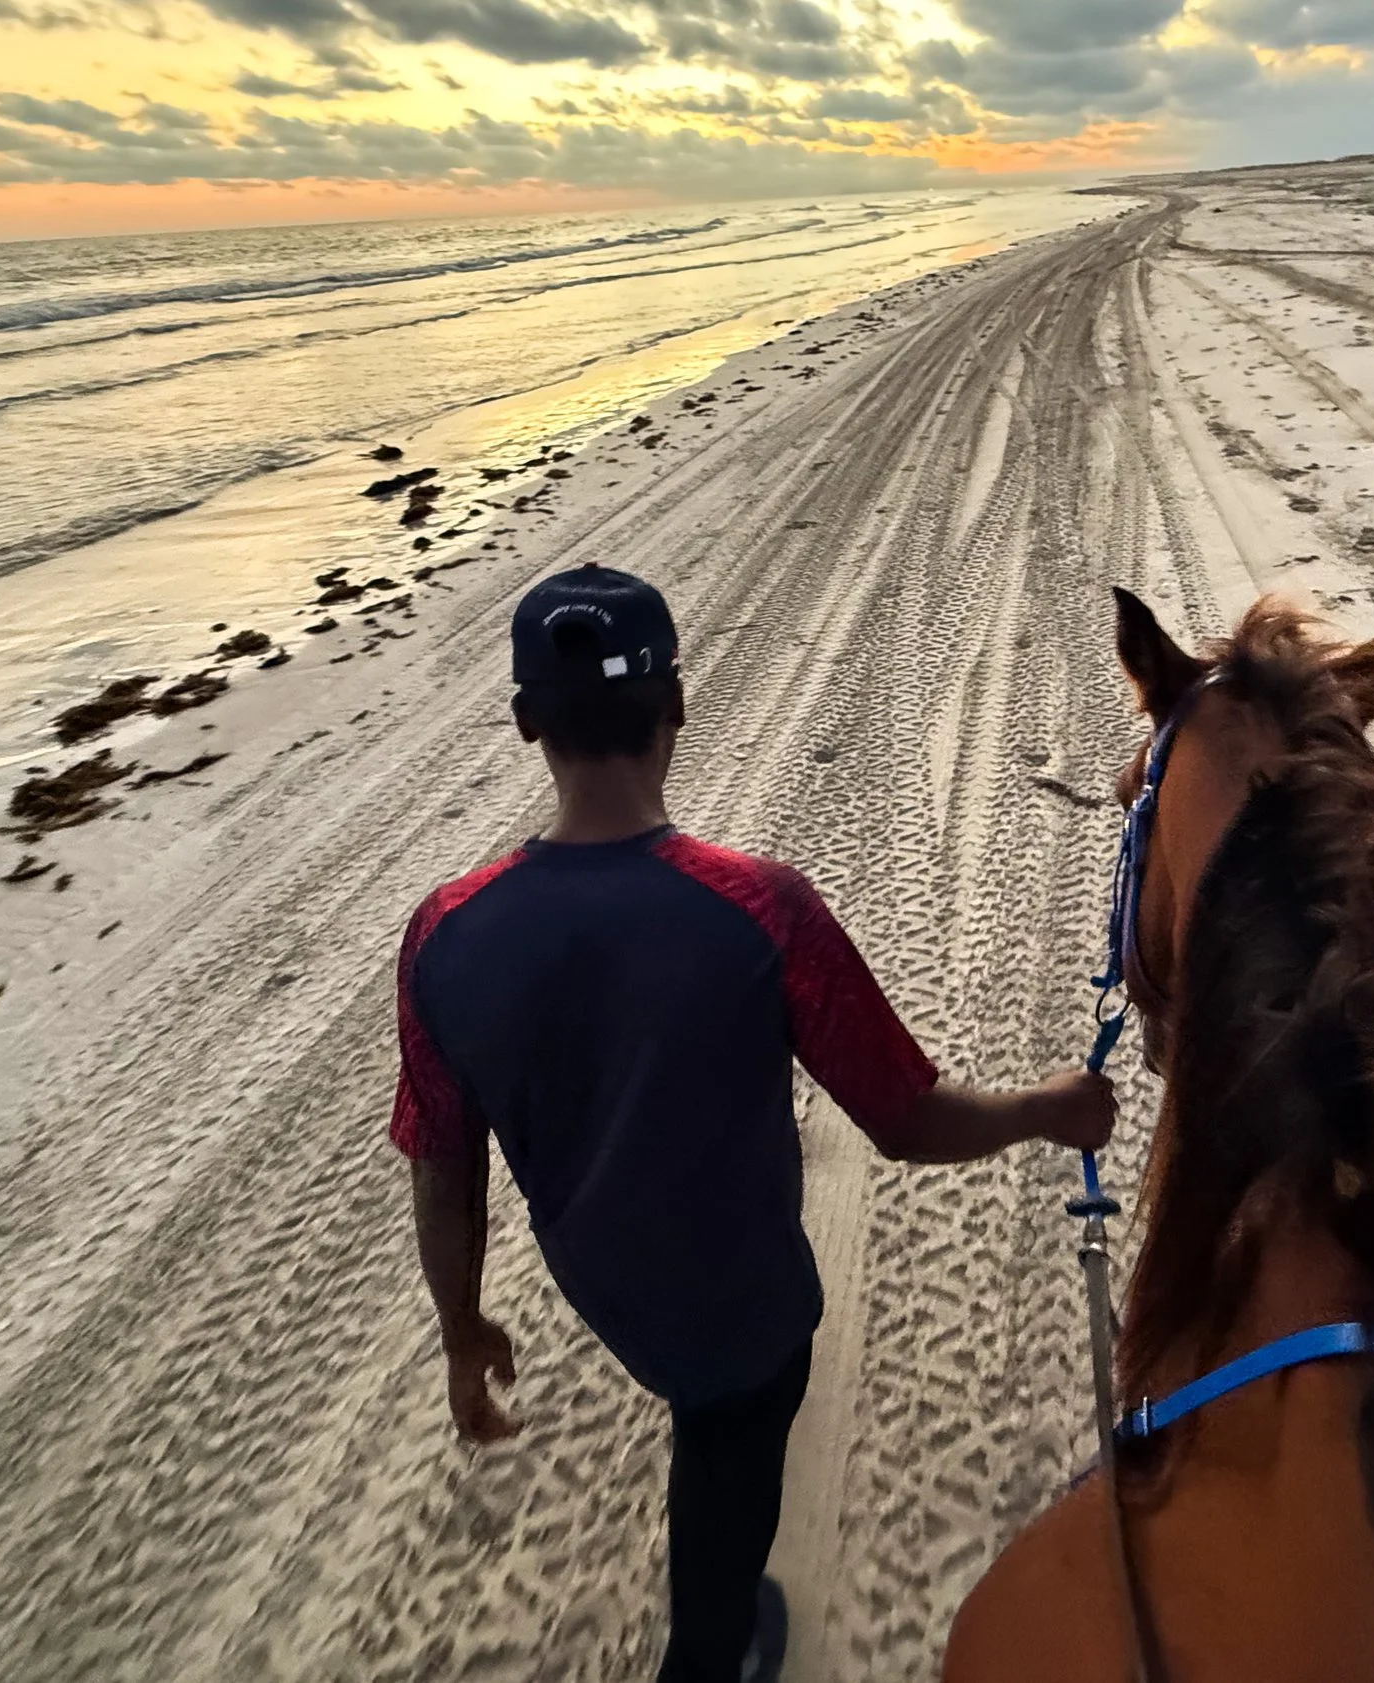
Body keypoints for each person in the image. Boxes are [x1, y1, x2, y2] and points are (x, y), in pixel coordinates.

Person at [391, 564, 1117, 1683]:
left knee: (703, 1412)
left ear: (528, 721)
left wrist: (461, 1327)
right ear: (676, 703)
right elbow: (906, 1120)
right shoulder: (762, 906)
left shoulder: (442, 929)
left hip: (601, 1281)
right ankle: (711, 1652)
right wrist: (1046, 1109)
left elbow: (442, 1162)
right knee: (731, 1447)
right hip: (742, 1305)